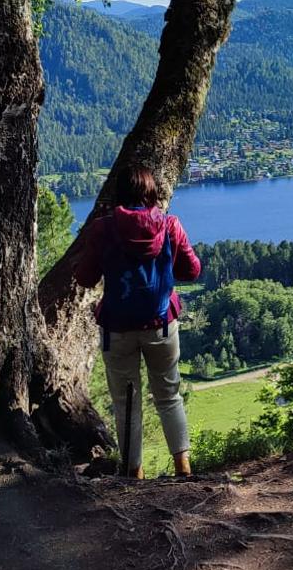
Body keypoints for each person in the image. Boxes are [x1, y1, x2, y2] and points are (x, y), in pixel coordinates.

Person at [75, 165, 201, 478]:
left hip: (117, 328)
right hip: (160, 324)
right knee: (169, 395)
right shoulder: (169, 225)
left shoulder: (103, 229)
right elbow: (192, 270)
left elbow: (85, 277)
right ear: (151, 194)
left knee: (126, 403)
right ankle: (183, 468)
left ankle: (134, 474)